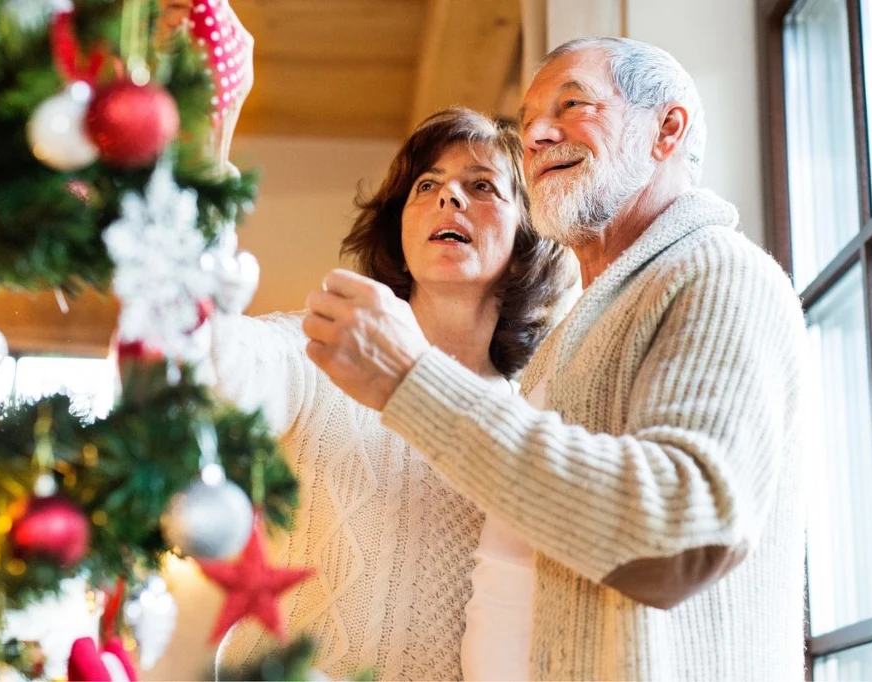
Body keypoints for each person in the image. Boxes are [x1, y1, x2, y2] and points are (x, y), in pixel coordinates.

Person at [303, 37, 808, 681]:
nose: (536, 133)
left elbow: (683, 526)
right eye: (530, 118)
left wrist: (412, 382)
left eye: (574, 105)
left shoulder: (718, 272)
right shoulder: (569, 336)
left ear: (666, 129)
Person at [211, 107, 577, 680]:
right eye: (425, 186)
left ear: (529, 236)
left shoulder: (532, 419)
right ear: (399, 234)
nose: (448, 198)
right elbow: (218, 378)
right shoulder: (322, 350)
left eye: (481, 186)